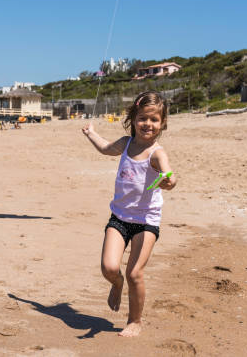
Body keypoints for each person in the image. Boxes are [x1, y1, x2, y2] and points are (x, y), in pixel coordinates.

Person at [82, 91, 177, 337]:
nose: (148, 124)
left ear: (162, 123)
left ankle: (135, 321)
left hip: (146, 222)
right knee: (109, 267)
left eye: (154, 120)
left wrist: (168, 181)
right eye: (143, 118)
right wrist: (91, 133)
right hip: (119, 218)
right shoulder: (125, 144)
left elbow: (169, 174)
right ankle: (116, 284)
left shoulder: (157, 153)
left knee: (135, 272)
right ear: (134, 119)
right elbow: (105, 149)